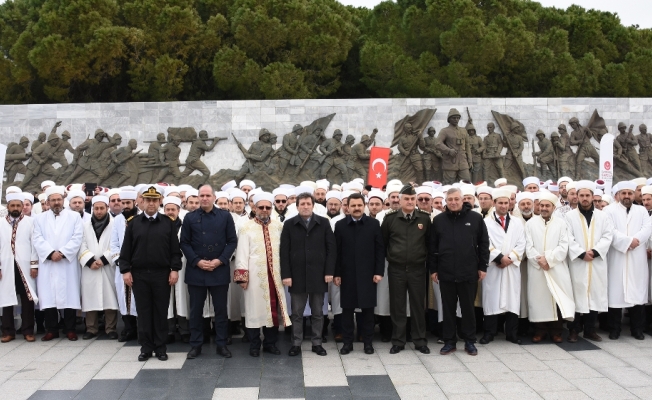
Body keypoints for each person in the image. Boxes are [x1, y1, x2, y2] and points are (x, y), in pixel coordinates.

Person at [118, 186, 183, 361]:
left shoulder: (167, 223)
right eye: (148, 200)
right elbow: (126, 251)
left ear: (159, 201)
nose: (152, 203)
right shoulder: (133, 223)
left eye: (155, 200)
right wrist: (125, 271)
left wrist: (174, 269)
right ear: (143, 202)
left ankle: (161, 347)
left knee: (161, 312)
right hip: (139, 275)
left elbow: (175, 251)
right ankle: (146, 347)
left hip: (162, 274)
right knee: (144, 312)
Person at [181, 185, 237, 359]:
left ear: (214, 197)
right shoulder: (190, 218)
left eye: (207, 195)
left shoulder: (225, 216)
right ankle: (196, 345)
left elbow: (232, 241)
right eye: (201, 196)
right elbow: (184, 243)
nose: (204, 198)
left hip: (218, 269)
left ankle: (221, 344)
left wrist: (220, 260)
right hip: (196, 270)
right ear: (198, 198)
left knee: (221, 311)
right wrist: (197, 261)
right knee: (196, 311)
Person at [431, 188, 489, 356]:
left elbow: (483, 244)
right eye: (450, 199)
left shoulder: (475, 218)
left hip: (468, 271)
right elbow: (433, 246)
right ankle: (449, 341)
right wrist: (434, 269)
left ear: (463, 199)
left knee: (468, 309)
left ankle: (470, 341)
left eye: (456, 199)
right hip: (446, 271)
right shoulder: (439, 220)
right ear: (446, 201)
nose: (453, 202)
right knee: (448, 308)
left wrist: (482, 267)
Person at [233, 192, 290, 357]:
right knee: (253, 310)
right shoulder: (246, 227)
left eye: (268, 207)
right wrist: (242, 277)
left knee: (272, 310)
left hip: (275, 275)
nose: (264, 210)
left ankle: (270, 344)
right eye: (261, 207)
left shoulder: (278, 226)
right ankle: (254, 344)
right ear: (254, 207)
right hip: (255, 278)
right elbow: (242, 253)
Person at [281, 192, 336, 357]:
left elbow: (331, 249)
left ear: (313, 205)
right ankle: (296, 343)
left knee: (318, 312)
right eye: (302, 204)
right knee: (297, 312)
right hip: (296, 275)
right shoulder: (290, 224)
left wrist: (329, 272)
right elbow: (284, 251)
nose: (305, 206)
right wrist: (286, 274)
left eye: (308, 204)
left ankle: (317, 343)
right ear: (297, 206)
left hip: (318, 275)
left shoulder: (324, 223)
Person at [381, 185, 432, 354]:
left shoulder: (424, 219)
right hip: (397, 269)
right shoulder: (390, 219)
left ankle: (419, 340)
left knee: (418, 305)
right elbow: (384, 243)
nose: (410, 202)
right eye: (406, 199)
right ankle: (398, 341)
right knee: (397, 306)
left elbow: (429, 243)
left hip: (418, 269)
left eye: (412, 199)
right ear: (400, 200)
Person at [334, 193, 384, 355]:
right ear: (348, 207)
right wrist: (337, 273)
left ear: (365, 206)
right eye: (353, 205)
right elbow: (337, 252)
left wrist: (378, 272)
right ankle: (347, 343)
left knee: (368, 311)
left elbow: (379, 250)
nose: (356, 208)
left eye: (359, 205)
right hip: (347, 275)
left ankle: (368, 343)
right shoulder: (341, 226)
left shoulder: (374, 224)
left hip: (368, 274)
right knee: (347, 311)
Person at [33, 186, 84, 341]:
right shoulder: (39, 218)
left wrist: (62, 253)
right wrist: (50, 253)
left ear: (63, 200)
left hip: (67, 263)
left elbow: (77, 238)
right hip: (48, 263)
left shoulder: (74, 217)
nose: (56, 203)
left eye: (59, 200)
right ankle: (52, 329)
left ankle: (70, 329)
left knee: (70, 295)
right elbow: (37, 238)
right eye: (53, 200)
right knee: (48, 296)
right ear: (48, 202)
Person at [565, 181, 613, 342]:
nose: (584, 198)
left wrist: (596, 251)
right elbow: (567, 238)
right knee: (577, 295)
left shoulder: (603, 216)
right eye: (581, 195)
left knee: (594, 294)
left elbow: (608, 236)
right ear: (576, 197)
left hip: (596, 261)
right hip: (578, 262)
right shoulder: (569, 216)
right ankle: (574, 330)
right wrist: (580, 253)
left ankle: (590, 330)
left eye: (587, 195)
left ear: (593, 197)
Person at [603, 181, 652, 340]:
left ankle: (637, 329)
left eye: (629, 193)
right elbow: (610, 230)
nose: (626, 196)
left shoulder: (642, 211)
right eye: (623, 193)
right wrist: (627, 242)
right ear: (618, 195)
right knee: (615, 293)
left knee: (637, 292)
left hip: (636, 256)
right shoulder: (609, 210)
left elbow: (647, 228)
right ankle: (614, 329)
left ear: (633, 195)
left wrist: (636, 240)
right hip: (617, 255)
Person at [524, 191, 575, 343]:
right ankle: (539, 331)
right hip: (537, 269)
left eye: (547, 205)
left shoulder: (561, 223)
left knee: (556, 299)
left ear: (553, 207)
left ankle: (556, 332)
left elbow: (563, 246)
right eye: (542, 205)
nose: (544, 208)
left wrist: (549, 259)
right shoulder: (530, 223)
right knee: (538, 299)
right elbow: (528, 246)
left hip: (556, 268)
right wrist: (539, 260)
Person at [479, 189, 526, 345]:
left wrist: (510, 258)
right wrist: (499, 257)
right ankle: (489, 332)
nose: (504, 206)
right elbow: (484, 243)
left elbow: (521, 243)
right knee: (491, 298)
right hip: (494, 267)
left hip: (511, 267)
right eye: (500, 203)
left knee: (512, 299)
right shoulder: (485, 222)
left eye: (506, 203)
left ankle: (511, 333)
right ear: (494, 203)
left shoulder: (517, 222)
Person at [79, 195, 119, 340]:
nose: (99, 211)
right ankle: (91, 328)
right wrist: (90, 260)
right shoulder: (85, 225)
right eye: (96, 208)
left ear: (107, 208)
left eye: (102, 208)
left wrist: (103, 259)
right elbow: (81, 244)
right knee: (90, 297)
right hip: (90, 267)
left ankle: (111, 328)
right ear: (92, 209)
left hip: (108, 266)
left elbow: (116, 244)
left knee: (110, 297)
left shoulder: (114, 224)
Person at [0, 193, 38, 343]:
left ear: (23, 207)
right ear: (8, 206)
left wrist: (34, 265)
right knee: (7, 298)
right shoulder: (1, 223)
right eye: (12, 205)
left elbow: (35, 245)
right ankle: (8, 331)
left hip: (25, 265)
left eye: (18, 205)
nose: (15, 208)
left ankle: (28, 330)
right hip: (6, 265)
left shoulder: (30, 222)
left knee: (27, 298)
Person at [110, 189, 139, 342]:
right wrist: (120, 261)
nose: (125, 206)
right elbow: (113, 243)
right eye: (123, 203)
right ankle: (129, 329)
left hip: (140, 266)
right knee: (124, 297)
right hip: (123, 266)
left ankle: (143, 330)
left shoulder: (141, 218)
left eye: (128, 203)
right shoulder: (117, 220)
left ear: (135, 202)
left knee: (140, 298)